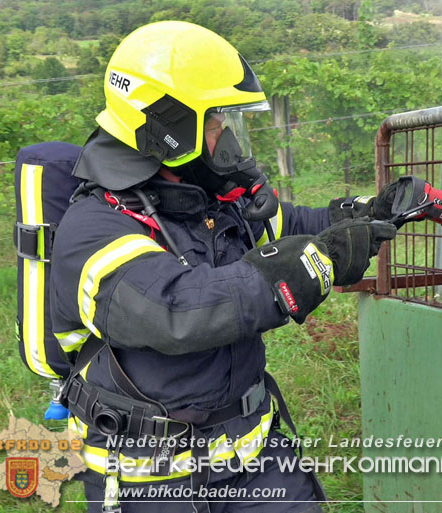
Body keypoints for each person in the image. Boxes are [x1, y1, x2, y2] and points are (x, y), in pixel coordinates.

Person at [50, 21, 399, 513]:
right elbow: (179, 310)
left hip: (254, 459)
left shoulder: (205, 200)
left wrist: (364, 213)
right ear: (170, 127)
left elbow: (288, 224)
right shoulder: (92, 229)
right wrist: (310, 267)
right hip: (149, 483)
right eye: (217, 122)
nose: (228, 137)